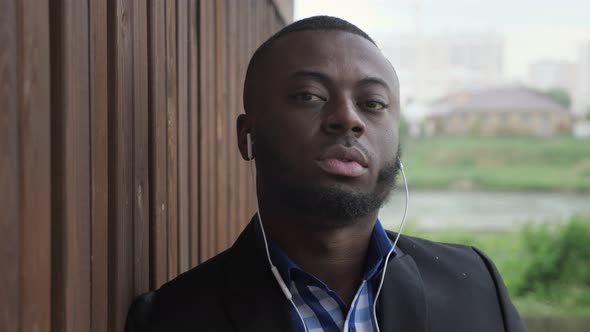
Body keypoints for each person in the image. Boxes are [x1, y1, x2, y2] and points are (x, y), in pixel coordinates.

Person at [127, 16, 526, 332]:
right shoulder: (172, 317)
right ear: (247, 136)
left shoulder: (475, 286)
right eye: (309, 96)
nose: (348, 119)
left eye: (372, 103)